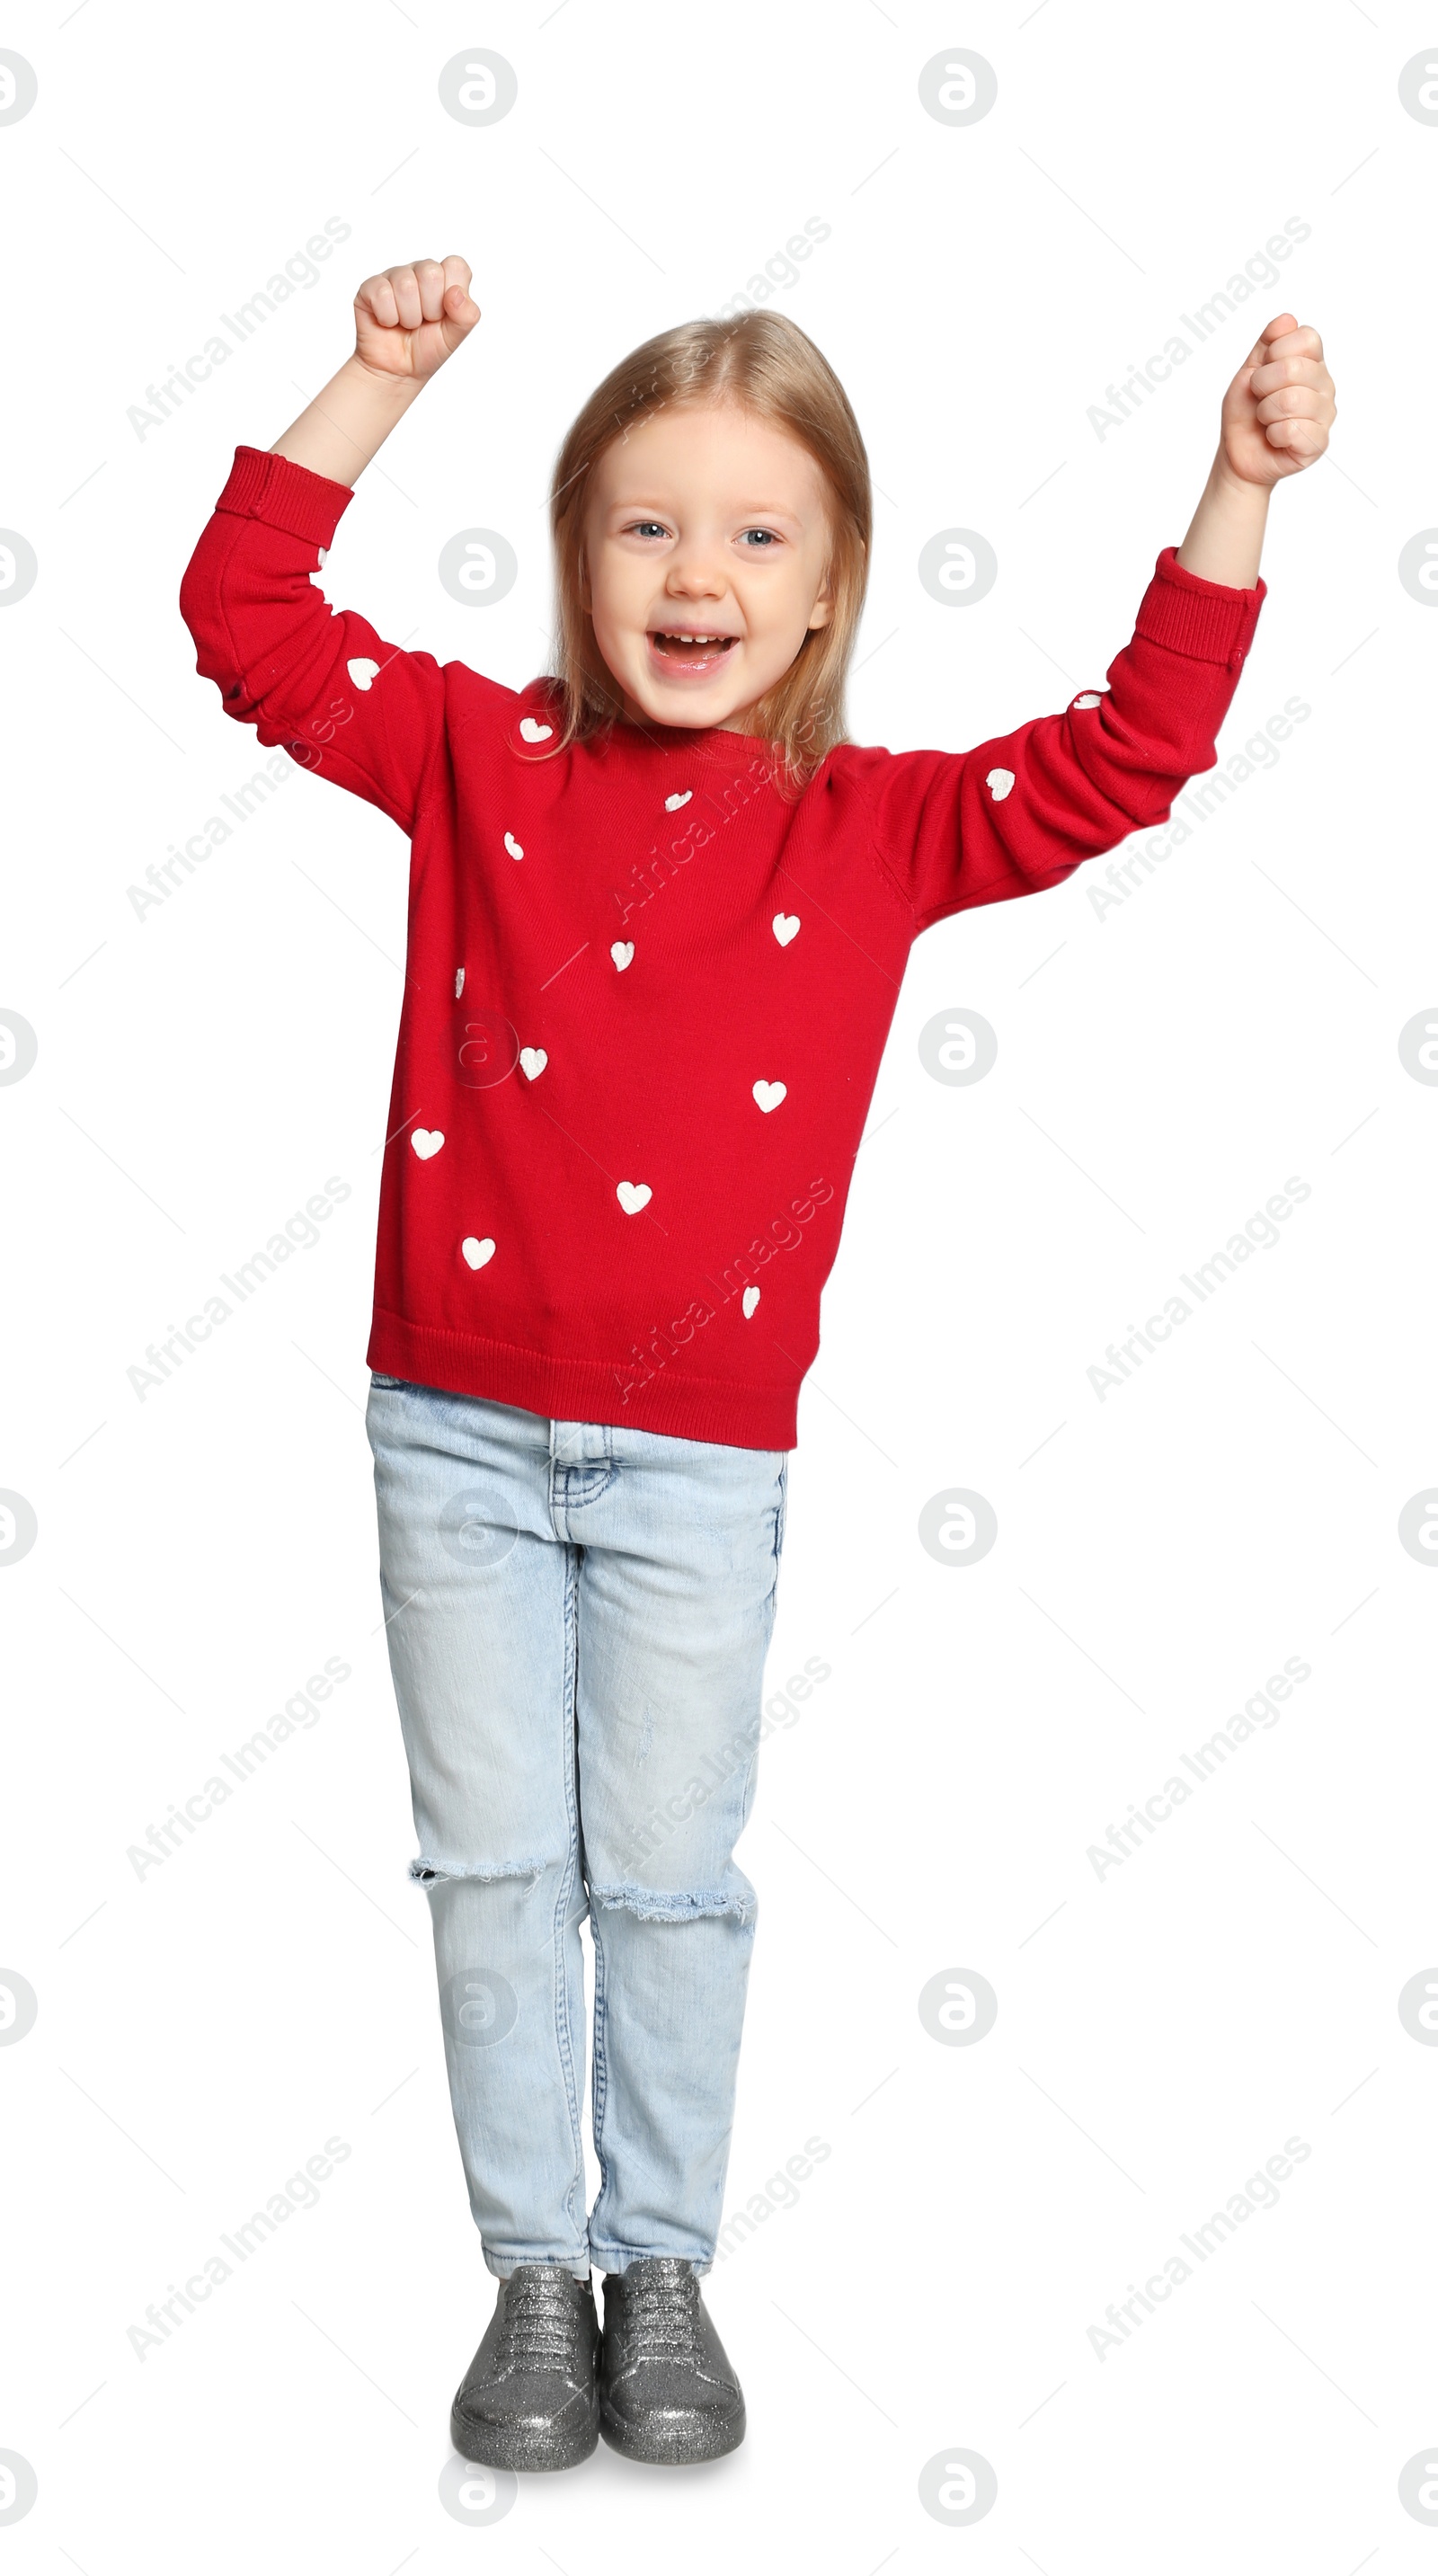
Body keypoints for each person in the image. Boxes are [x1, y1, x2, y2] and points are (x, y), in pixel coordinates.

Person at [179, 255, 1335, 2472]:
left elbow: (1126, 756)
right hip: (453, 1427)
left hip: (699, 1457)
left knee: (670, 1871)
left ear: (826, 592)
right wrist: (375, 380)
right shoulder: (470, 751)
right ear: (573, 551)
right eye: (643, 523)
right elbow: (243, 619)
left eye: (753, 532)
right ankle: (534, 2270)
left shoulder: (873, 822)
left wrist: (1231, 486)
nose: (692, 571)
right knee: (497, 1860)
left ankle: (661, 2258)